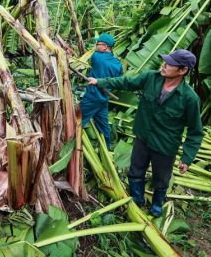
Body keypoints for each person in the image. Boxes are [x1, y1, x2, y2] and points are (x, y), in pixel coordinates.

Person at [87, 49, 203, 217]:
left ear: (183, 70)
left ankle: (157, 205)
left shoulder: (189, 98)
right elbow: (126, 82)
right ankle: (136, 199)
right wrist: (99, 81)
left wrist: (187, 157)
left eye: (170, 63)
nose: (164, 65)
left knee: (161, 178)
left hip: (165, 145)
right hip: (143, 136)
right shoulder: (151, 77)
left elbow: (195, 131)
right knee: (136, 170)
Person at [80, 33, 123, 150]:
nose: (95, 46)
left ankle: (70, 146)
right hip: (104, 98)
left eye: (97, 44)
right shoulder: (118, 64)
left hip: (93, 97)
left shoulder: (97, 57)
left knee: (78, 121)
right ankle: (106, 148)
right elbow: (118, 80)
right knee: (104, 127)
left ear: (105, 47)